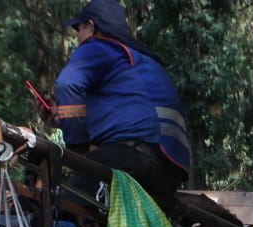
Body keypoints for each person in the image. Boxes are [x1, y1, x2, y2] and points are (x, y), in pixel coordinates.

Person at [55, 0, 191, 210]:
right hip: (167, 174)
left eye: (79, 29)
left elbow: (67, 84)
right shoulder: (143, 61)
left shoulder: (98, 46)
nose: (78, 37)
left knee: (64, 209)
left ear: (91, 26)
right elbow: (129, 115)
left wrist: (78, 149)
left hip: (132, 157)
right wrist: (60, 119)